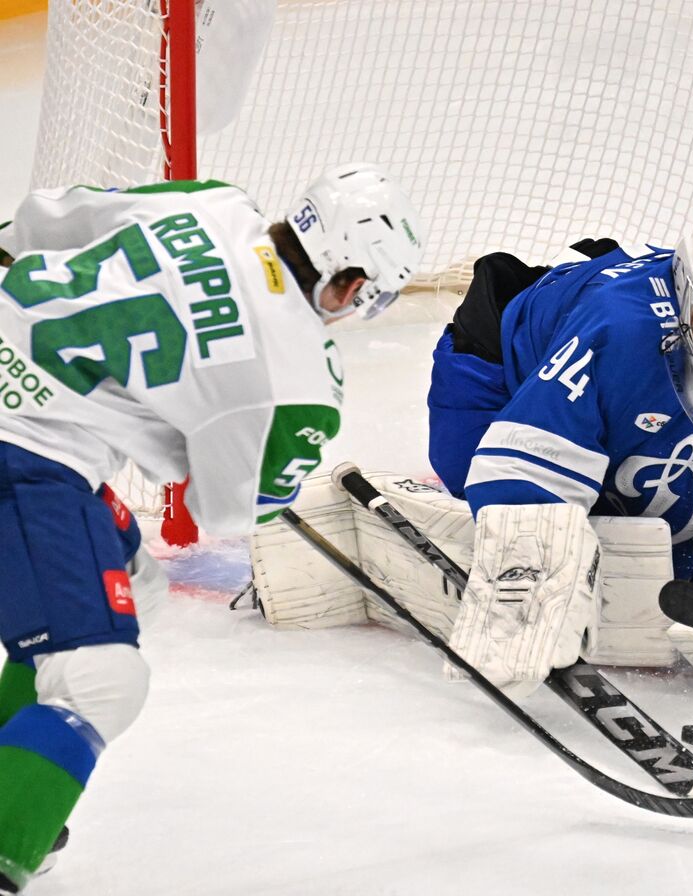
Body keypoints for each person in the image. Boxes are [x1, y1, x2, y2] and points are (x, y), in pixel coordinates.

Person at [0, 163, 423, 893]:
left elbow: (40, 220)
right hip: (27, 453)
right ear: (349, 284)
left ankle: (15, 767)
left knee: (136, 581)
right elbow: (226, 511)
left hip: (31, 422)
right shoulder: (299, 378)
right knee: (104, 678)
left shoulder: (212, 202)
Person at [251, 217, 693, 698]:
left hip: (625, 377)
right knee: (506, 515)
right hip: (494, 372)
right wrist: (527, 569)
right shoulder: (620, 325)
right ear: (685, 293)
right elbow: (525, 470)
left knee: (662, 541)